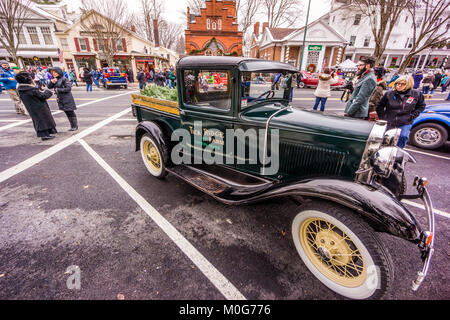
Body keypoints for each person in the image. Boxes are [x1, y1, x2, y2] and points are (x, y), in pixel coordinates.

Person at [376, 75, 426, 148]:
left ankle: (398, 153)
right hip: (390, 121)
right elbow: (380, 106)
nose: (399, 86)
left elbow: (421, 106)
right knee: (386, 138)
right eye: (397, 83)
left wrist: (412, 116)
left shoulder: (416, 94)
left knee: (403, 137)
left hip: (405, 121)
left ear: (408, 84)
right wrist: (383, 117)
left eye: (402, 84)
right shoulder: (389, 94)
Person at [16, 71, 57, 141]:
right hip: (39, 106)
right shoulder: (30, 89)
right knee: (42, 120)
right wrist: (48, 92)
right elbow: (42, 96)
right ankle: (44, 135)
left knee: (38, 120)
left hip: (31, 107)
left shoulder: (20, 89)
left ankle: (49, 131)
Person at [48, 67, 78, 131]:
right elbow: (49, 87)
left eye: (55, 72)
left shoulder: (64, 79)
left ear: (59, 72)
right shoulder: (54, 79)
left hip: (67, 98)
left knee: (70, 111)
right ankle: (72, 126)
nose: (54, 74)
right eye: (52, 73)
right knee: (66, 112)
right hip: (60, 98)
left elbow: (68, 88)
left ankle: (75, 126)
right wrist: (52, 82)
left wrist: (58, 90)